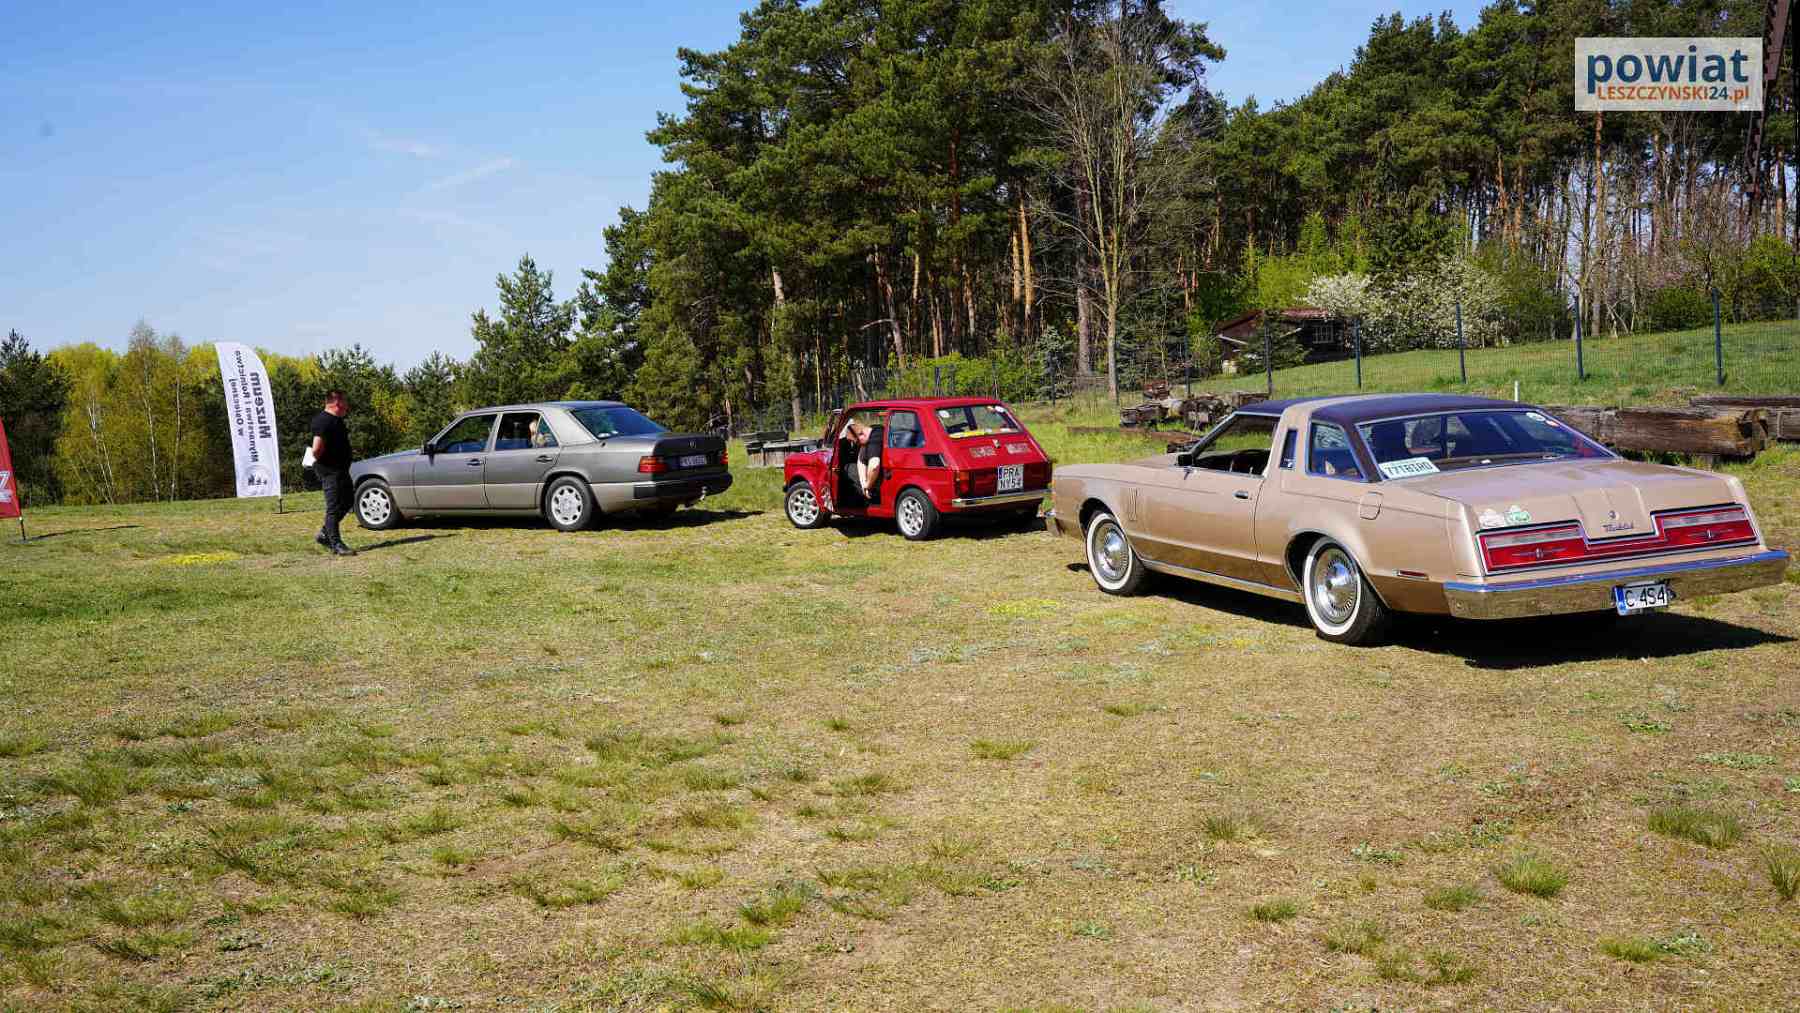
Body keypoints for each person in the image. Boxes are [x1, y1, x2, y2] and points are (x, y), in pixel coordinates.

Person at [310, 390, 357, 556]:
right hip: (330, 471)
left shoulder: (337, 420)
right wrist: (323, 460)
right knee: (334, 506)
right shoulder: (323, 421)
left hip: (341, 469)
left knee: (348, 501)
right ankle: (336, 544)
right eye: (345, 402)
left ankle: (325, 533)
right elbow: (316, 449)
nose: (347, 405)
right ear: (337, 403)